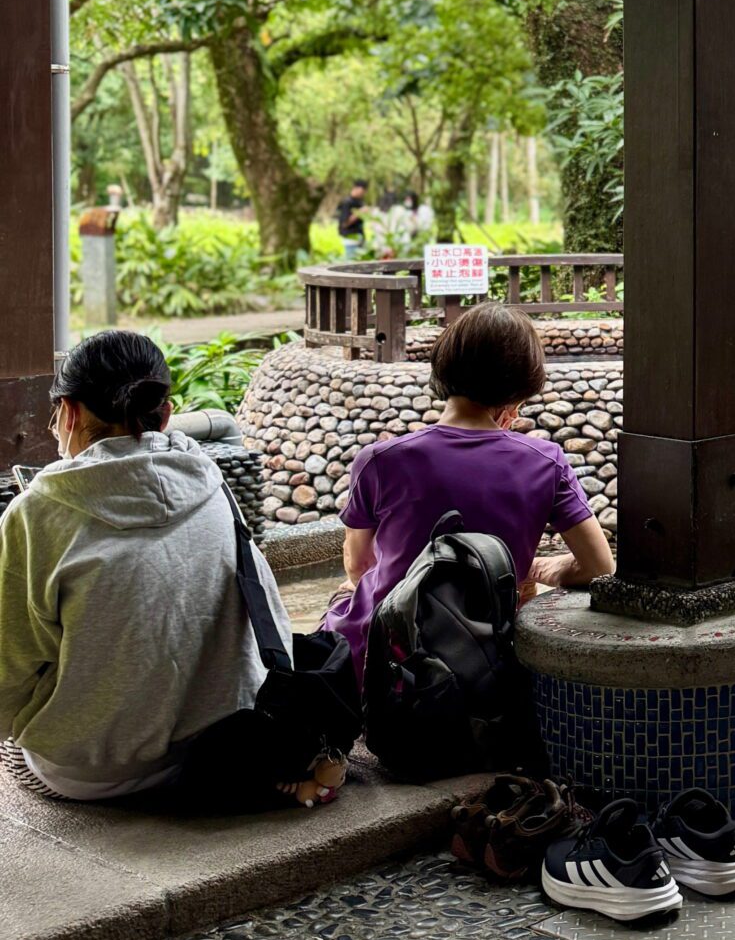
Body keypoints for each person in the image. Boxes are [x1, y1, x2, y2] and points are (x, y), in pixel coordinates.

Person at [0, 331, 339, 805]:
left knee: (16, 749)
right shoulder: (210, 482)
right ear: (166, 411)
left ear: (71, 413)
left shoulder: (38, 513)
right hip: (222, 743)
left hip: (91, 769)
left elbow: (9, 668)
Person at [324, 302, 612, 678]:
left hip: (385, 668)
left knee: (343, 594)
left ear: (444, 366)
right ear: (522, 388)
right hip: (481, 669)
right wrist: (531, 567)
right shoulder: (545, 462)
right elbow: (600, 567)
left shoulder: (380, 459)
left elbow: (360, 567)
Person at [336, 178, 370, 254]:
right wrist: (359, 212)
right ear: (356, 188)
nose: (363, 193)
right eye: (362, 191)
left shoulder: (360, 202)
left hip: (360, 239)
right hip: (351, 240)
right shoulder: (347, 203)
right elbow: (345, 223)